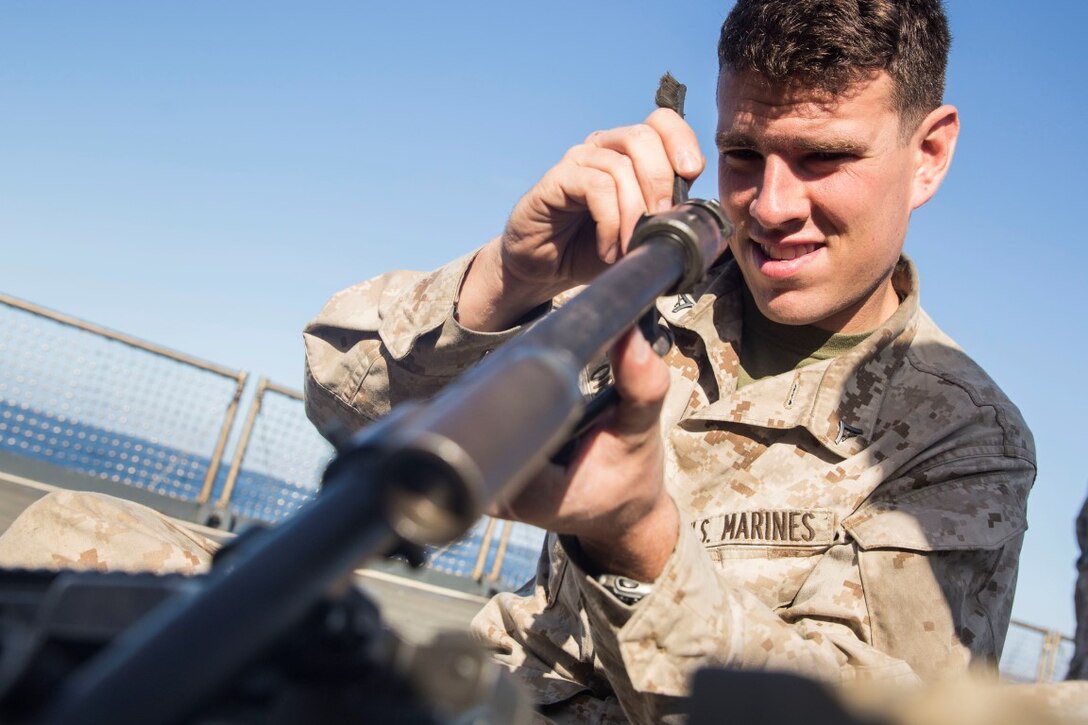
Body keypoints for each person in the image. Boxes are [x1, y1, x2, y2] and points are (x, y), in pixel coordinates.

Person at [302, 0, 1036, 722]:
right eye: (743, 154)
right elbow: (344, 401)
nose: (772, 205)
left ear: (929, 154)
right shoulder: (649, 284)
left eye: (825, 157)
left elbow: (863, 708)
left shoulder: (966, 440)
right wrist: (510, 278)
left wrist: (639, 539)